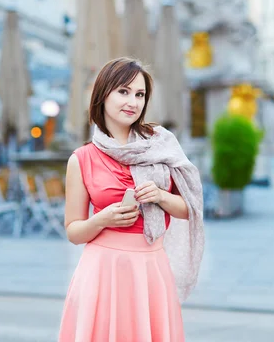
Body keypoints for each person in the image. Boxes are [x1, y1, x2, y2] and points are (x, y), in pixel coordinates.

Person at [58, 58, 204, 342]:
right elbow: (73, 231)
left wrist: (161, 196)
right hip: (103, 270)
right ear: (103, 95)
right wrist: (102, 219)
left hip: (151, 268)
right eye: (124, 92)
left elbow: (190, 210)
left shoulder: (160, 145)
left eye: (140, 95)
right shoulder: (82, 158)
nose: (133, 102)